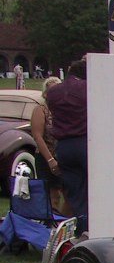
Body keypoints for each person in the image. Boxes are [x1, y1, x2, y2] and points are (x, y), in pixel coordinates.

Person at [46, 59, 88, 231]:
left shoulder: (53, 92)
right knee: (92, 188)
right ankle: (89, 227)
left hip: (63, 146)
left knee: (73, 192)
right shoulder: (86, 88)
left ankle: (79, 226)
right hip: (84, 142)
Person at [30, 76, 64, 215]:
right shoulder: (40, 110)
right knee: (52, 195)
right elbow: (37, 136)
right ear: (45, 94)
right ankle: (50, 224)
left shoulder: (64, 110)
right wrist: (50, 160)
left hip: (62, 156)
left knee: (68, 194)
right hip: (46, 157)